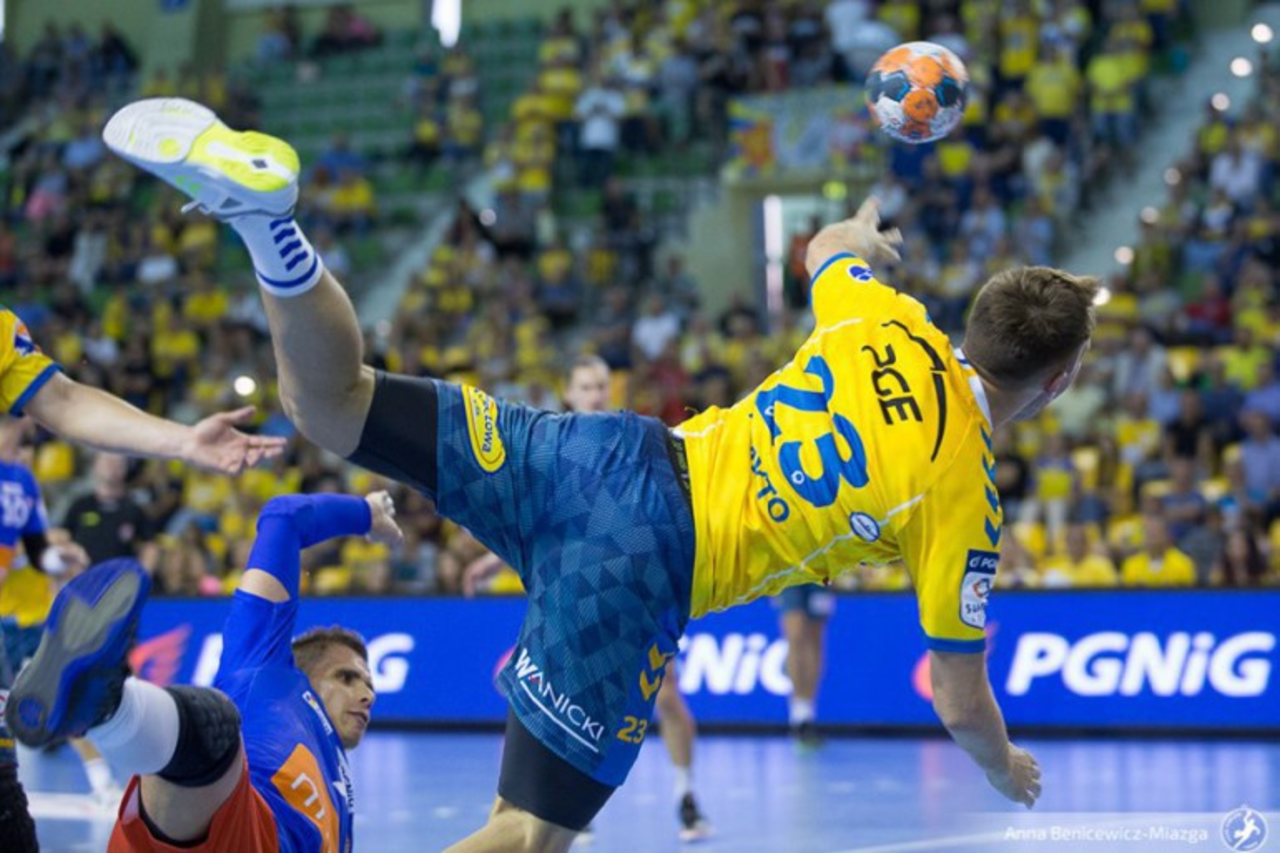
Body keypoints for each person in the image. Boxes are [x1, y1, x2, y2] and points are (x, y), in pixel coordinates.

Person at [103, 97, 1096, 849]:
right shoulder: (965, 495)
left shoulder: (889, 318)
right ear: (1057, 381)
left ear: (975, 319)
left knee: (334, 403)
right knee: (528, 832)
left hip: (603, 451)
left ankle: (269, 229)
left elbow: (828, 244)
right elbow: (959, 700)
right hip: (648, 558)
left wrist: (868, 242)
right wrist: (1004, 765)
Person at [0, 299, 285, 851]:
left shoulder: (22, 478)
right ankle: (103, 717)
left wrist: (183, 441)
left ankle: (96, 718)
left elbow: (63, 400)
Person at [6, 490, 402, 852]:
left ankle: (108, 708)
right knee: (212, 728)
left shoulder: (342, 804)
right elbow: (284, 517)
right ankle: (106, 706)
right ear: (303, 673)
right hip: (241, 830)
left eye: (369, 683)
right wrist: (366, 514)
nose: (367, 694)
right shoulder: (267, 665)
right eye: (346, 677)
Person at [464, 354, 712, 841]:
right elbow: (533, 518)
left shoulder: (634, 441)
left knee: (667, 696)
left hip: (638, 596)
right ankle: (552, 807)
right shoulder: (552, 449)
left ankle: (686, 796)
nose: (596, 394)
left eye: (601, 385)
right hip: (573, 600)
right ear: (569, 394)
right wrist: (492, 561)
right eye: (586, 387)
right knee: (537, 698)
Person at [774, 583, 833, 748]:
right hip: (789, 573)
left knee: (815, 638)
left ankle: (807, 713)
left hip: (820, 573)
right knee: (795, 633)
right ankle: (798, 713)